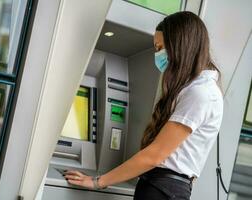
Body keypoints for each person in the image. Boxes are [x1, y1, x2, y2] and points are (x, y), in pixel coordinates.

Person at [64, 11, 224, 200]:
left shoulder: (201, 93)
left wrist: (98, 181)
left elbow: (155, 155)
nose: (157, 55)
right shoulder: (197, 89)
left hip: (162, 190)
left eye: (159, 48)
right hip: (162, 187)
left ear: (181, 46)